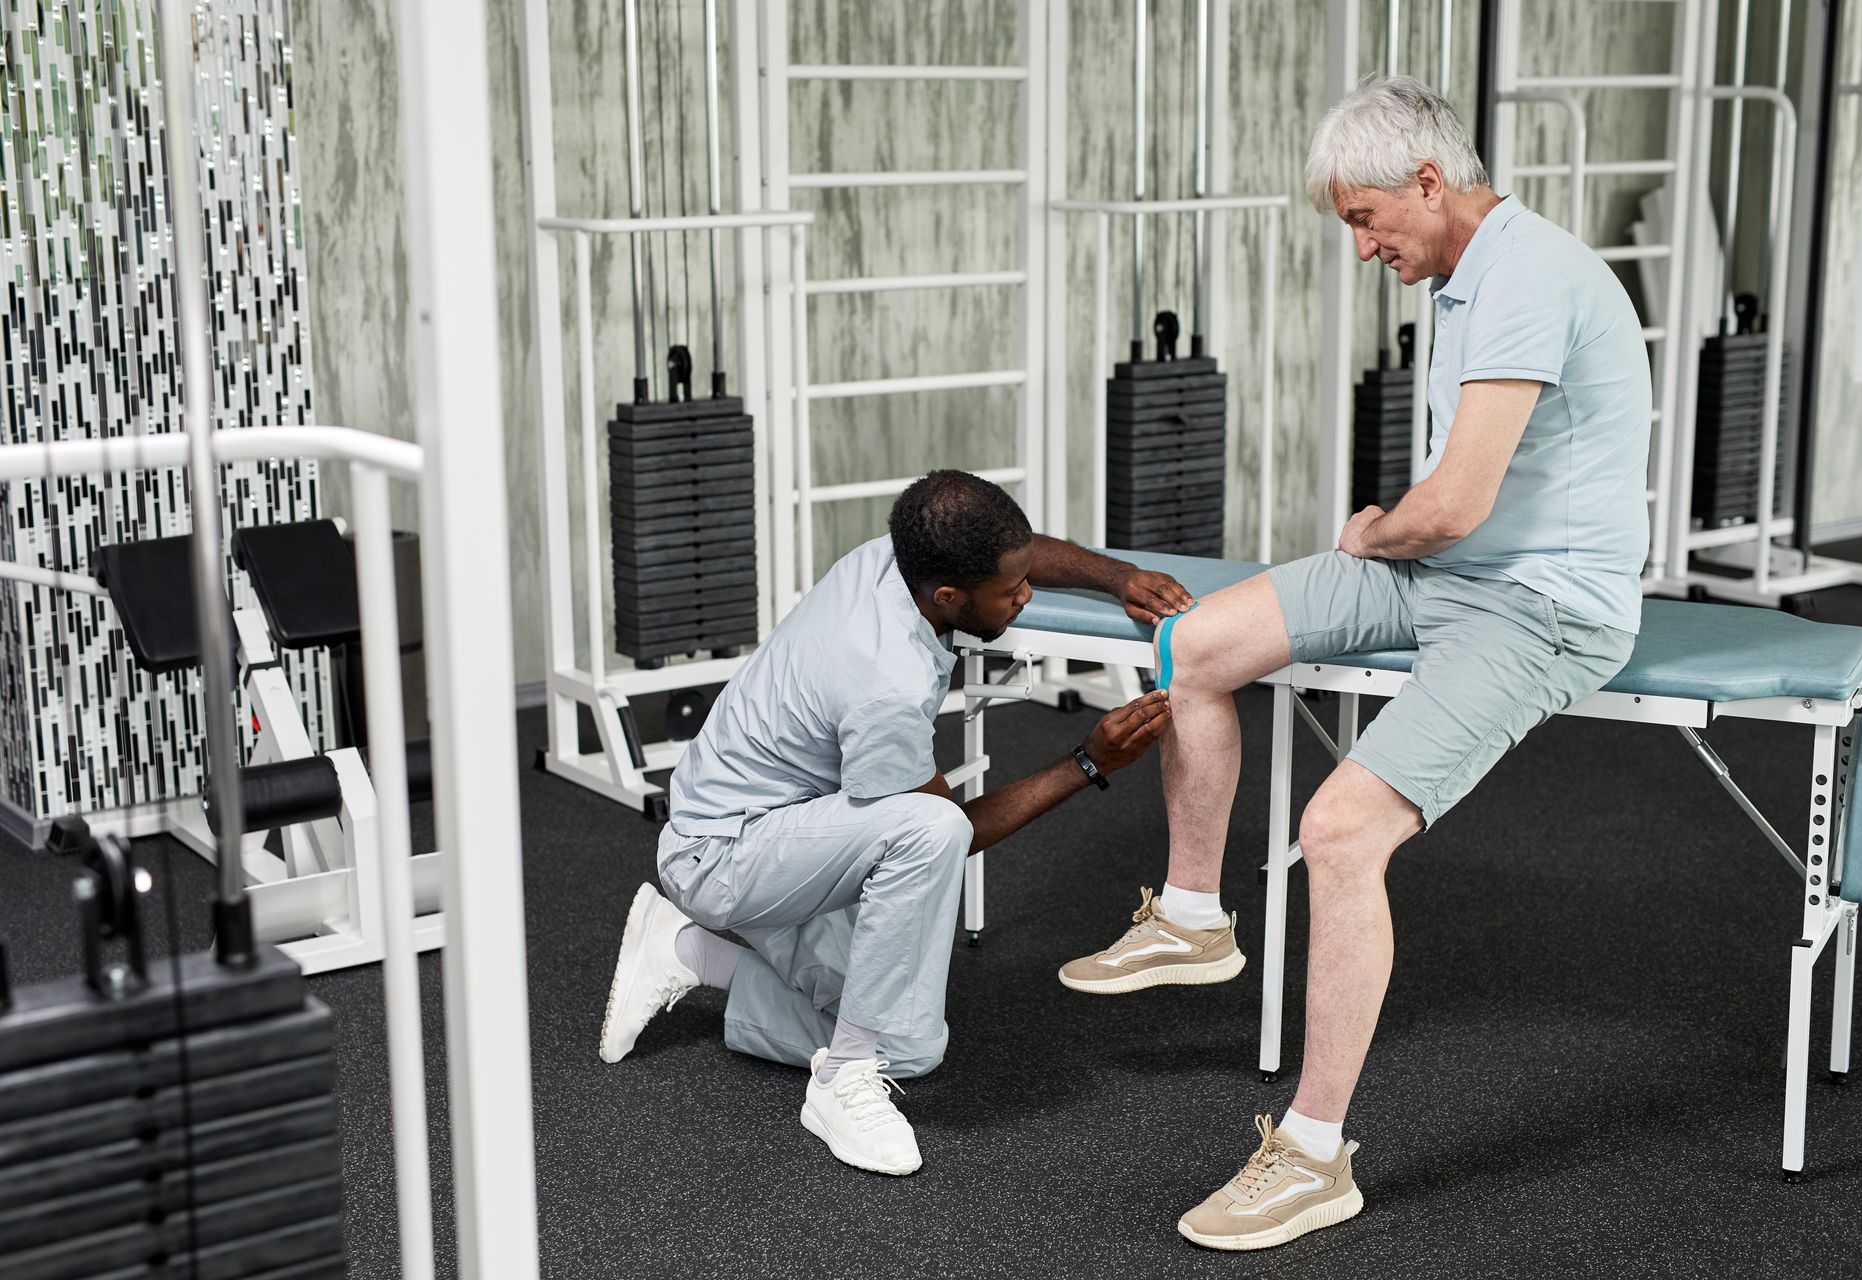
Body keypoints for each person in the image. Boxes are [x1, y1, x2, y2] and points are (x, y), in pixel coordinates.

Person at [1058, 76, 1651, 1251]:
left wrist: (1373, 531)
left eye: (1366, 218)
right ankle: (1191, 914)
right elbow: (1453, 513)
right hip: (1448, 570)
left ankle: (1315, 1154)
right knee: (1193, 643)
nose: (1365, 245)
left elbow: (1454, 504)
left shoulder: (1530, 274)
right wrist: (1398, 535)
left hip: (1539, 606)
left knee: (1339, 830)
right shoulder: (1464, 270)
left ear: (1430, 182)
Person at [599, 469, 1193, 1176]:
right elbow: (948, 833)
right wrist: (1086, 763)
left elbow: (1018, 551)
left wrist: (1116, 575)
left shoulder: (893, 556)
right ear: (948, 597)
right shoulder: (885, 679)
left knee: (911, 1050)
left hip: (802, 835)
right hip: (724, 856)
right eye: (1010, 593)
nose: (1027, 596)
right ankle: (842, 1079)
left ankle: (689, 953)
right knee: (928, 831)